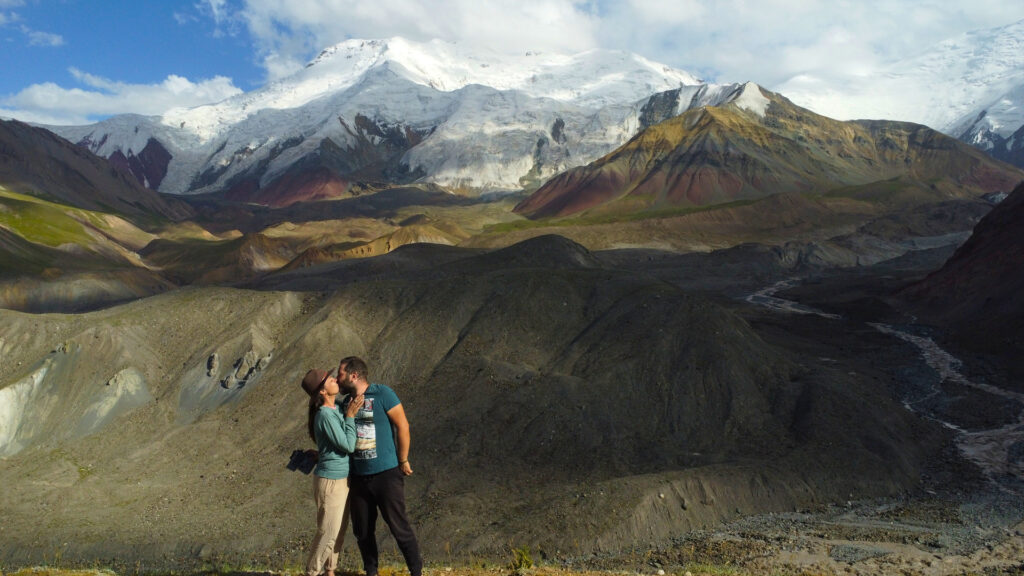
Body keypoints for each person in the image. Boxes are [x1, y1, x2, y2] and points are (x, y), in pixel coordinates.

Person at [337, 356, 422, 576]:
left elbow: (402, 425)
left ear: (354, 375)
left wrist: (403, 459)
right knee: (363, 530)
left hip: (386, 475)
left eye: (341, 374)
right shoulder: (345, 403)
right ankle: (371, 572)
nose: (338, 380)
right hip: (358, 478)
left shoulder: (383, 394)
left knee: (398, 526)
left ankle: (416, 571)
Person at [301, 368, 365, 576]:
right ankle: (312, 572)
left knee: (337, 530)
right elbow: (347, 445)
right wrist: (351, 417)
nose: (335, 379)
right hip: (331, 481)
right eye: (329, 379)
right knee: (328, 532)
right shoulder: (325, 415)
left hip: (340, 478)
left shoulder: (334, 408)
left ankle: (330, 571)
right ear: (322, 391)